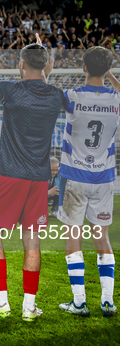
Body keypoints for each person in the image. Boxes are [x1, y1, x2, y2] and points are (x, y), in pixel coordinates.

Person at [0, 32, 64, 321]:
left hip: (9, 174)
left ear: (21, 64)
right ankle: (29, 307)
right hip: (39, 177)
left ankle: (1, 301)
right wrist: (43, 52)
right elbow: (45, 73)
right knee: (32, 240)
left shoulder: (11, 89)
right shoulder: (57, 95)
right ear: (46, 66)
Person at [57, 46, 119, 317]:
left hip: (73, 177)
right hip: (104, 178)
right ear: (107, 70)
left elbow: (49, 97)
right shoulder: (116, 99)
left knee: (73, 235)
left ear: (83, 68)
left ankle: (79, 302)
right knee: (101, 236)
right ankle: (107, 301)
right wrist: (110, 75)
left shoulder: (72, 96)